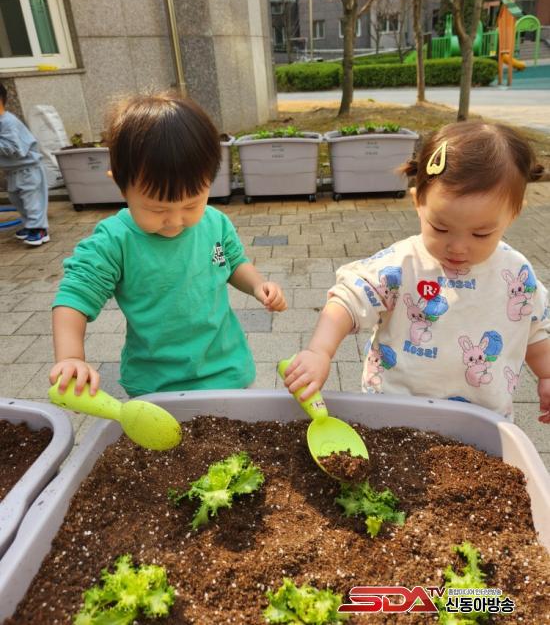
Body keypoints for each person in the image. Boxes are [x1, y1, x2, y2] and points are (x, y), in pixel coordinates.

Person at [282, 122, 550, 423]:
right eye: (440, 228)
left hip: (482, 421)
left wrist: (546, 375)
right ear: (418, 202)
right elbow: (348, 300)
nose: (458, 247)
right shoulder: (401, 263)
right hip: (395, 417)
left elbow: (534, 329)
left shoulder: (516, 273)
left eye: (481, 234)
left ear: (514, 214)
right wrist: (320, 351)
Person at [49, 92, 287, 397]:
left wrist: (257, 285)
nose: (175, 220)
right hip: (155, 385)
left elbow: (233, 263)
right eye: (157, 209)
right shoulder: (114, 241)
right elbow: (73, 298)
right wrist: (71, 357)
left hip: (228, 372)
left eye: (191, 204)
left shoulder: (215, 224)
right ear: (121, 185)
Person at [0, 83, 49, 246]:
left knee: (32, 200)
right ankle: (30, 225)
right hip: (13, 171)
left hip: (28, 169)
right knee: (17, 200)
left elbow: (14, 148)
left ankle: (39, 229)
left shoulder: (8, 122)